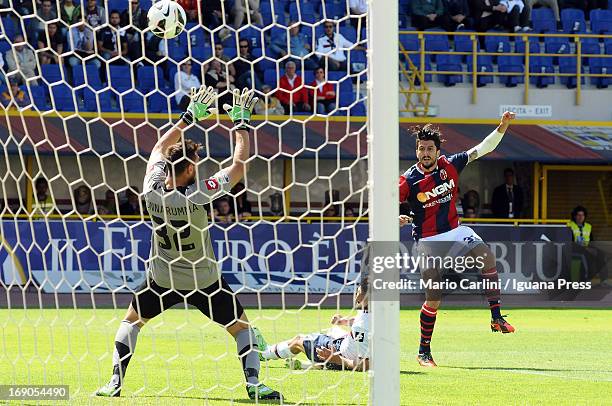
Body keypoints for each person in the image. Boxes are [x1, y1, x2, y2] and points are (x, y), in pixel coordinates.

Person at [95, 86, 281, 400]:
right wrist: (241, 124)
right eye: (197, 159)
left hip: (162, 278)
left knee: (131, 322)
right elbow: (237, 167)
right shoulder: (198, 195)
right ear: (191, 168)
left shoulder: (151, 187)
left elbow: (158, 146)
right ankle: (254, 385)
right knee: (241, 328)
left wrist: (188, 117)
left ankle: (115, 382)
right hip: (204, 280)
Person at [398, 112, 517, 368]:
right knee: (434, 297)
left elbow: (483, 148)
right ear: (417, 151)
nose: (425, 153)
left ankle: (496, 317)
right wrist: (397, 216)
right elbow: (387, 202)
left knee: (487, 256)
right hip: (428, 240)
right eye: (421, 149)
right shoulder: (408, 180)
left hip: (455, 230)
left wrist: (502, 126)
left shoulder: (451, 165)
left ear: (438, 151)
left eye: (430, 149)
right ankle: (423, 352)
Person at [254, 278, 369, 372]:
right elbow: (360, 323)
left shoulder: (363, 326)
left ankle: (265, 353)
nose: (356, 298)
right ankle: (315, 364)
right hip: (346, 343)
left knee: (299, 341)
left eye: (359, 294)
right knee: (333, 330)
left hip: (340, 353)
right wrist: (343, 321)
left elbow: (364, 365)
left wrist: (337, 359)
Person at [568, 206, 611, 287]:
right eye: (578, 215)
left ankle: (604, 280)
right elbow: (569, 241)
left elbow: (592, 241)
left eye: (582, 215)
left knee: (601, 254)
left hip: (587, 248)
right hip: (574, 249)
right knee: (585, 256)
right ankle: (583, 281)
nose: (581, 217)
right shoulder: (569, 225)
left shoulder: (588, 226)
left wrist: (592, 248)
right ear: (575, 216)